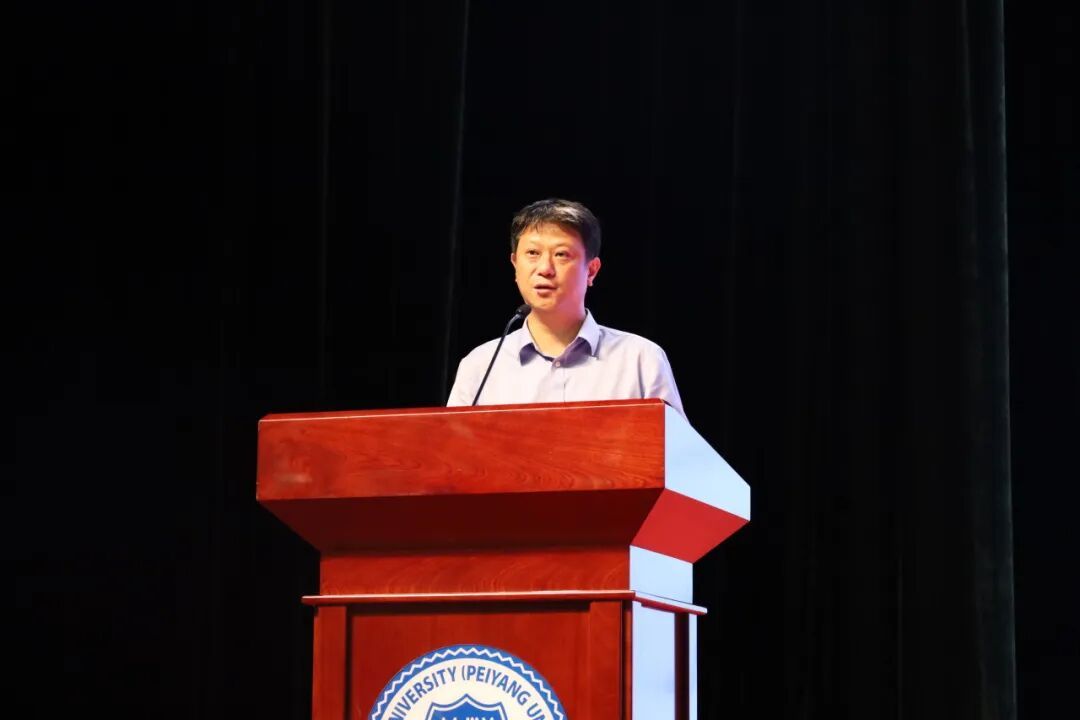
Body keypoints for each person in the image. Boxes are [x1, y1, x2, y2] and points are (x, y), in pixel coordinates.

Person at [446, 198, 685, 417]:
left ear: (591, 270)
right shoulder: (480, 366)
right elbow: (451, 448)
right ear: (515, 264)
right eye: (532, 253)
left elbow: (677, 449)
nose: (544, 269)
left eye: (561, 254)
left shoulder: (640, 359)